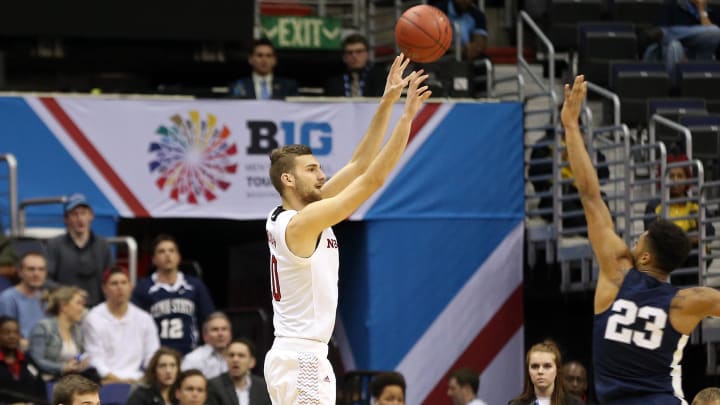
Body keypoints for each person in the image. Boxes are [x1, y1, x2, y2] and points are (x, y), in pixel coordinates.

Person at [263, 53, 430, 404]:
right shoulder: (301, 224)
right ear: (289, 179)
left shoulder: (305, 212)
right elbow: (374, 180)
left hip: (299, 355)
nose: (322, 175)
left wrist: (387, 101)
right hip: (302, 357)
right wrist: (407, 119)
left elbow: (360, 163)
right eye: (312, 170)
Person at [563, 74, 720, 404]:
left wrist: (571, 127)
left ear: (646, 257)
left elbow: (591, 195)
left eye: (641, 238)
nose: (635, 239)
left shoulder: (616, 274)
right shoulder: (686, 301)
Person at [132, 234, 215, 355]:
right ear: (154, 259)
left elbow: (209, 319)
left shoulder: (195, 285)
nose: (167, 255)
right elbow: (134, 322)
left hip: (191, 354)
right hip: (156, 355)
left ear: (178, 257)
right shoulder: (143, 287)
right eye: (162, 251)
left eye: (171, 251)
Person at [82, 265, 159, 384]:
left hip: (138, 379)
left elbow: (152, 355)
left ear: (131, 286)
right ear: (104, 288)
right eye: (114, 283)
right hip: (105, 380)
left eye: (124, 283)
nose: (120, 287)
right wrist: (118, 380)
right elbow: (95, 358)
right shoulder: (93, 318)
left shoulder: (145, 319)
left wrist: (144, 378)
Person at [644, 154, 715, 269]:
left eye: (680, 176)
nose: (675, 180)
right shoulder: (654, 205)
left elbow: (709, 232)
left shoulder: (696, 204)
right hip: (667, 259)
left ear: (687, 178)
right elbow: (652, 235)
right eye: (671, 176)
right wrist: (688, 238)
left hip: (694, 260)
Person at [45, 193, 112, 307]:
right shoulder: (54, 245)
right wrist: (68, 293)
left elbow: (110, 278)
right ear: (66, 219)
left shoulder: (103, 245)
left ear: (91, 216)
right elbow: (45, 280)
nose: (80, 219)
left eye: (83, 213)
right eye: (74, 214)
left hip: (97, 310)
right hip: (65, 309)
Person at [29, 286, 98, 381]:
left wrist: (82, 363)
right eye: (78, 303)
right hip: (46, 382)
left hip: (71, 382)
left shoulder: (77, 330)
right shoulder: (43, 328)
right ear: (64, 306)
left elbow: (80, 356)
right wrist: (63, 367)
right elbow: (36, 360)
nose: (82, 309)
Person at [509, 340, 584, 405]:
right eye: (535, 366)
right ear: (528, 371)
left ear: (557, 370)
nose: (540, 371)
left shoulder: (574, 403)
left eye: (547, 366)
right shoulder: (516, 404)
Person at [0, 251, 48, 345]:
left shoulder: (45, 298)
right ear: (20, 272)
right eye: (31, 269)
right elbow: (6, 338)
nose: (36, 274)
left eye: (41, 269)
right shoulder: (8, 298)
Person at [206, 338, 271, 405]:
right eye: (231, 355)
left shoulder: (263, 387)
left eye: (241, 356)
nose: (235, 359)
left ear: (252, 362)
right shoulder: (214, 386)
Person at [230, 38, 298, 100]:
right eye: (259, 55)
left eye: (269, 56)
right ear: (250, 59)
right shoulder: (238, 85)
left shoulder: (288, 86)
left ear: (274, 60)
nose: (264, 60)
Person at [0, 316, 46, 404]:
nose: (12, 336)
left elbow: (41, 393)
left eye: (16, 332)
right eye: (7, 332)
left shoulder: (28, 361)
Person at [181, 311, 232, 379]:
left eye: (224, 329)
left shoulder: (239, 357)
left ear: (230, 334)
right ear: (205, 335)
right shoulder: (192, 359)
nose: (220, 334)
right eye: (215, 329)